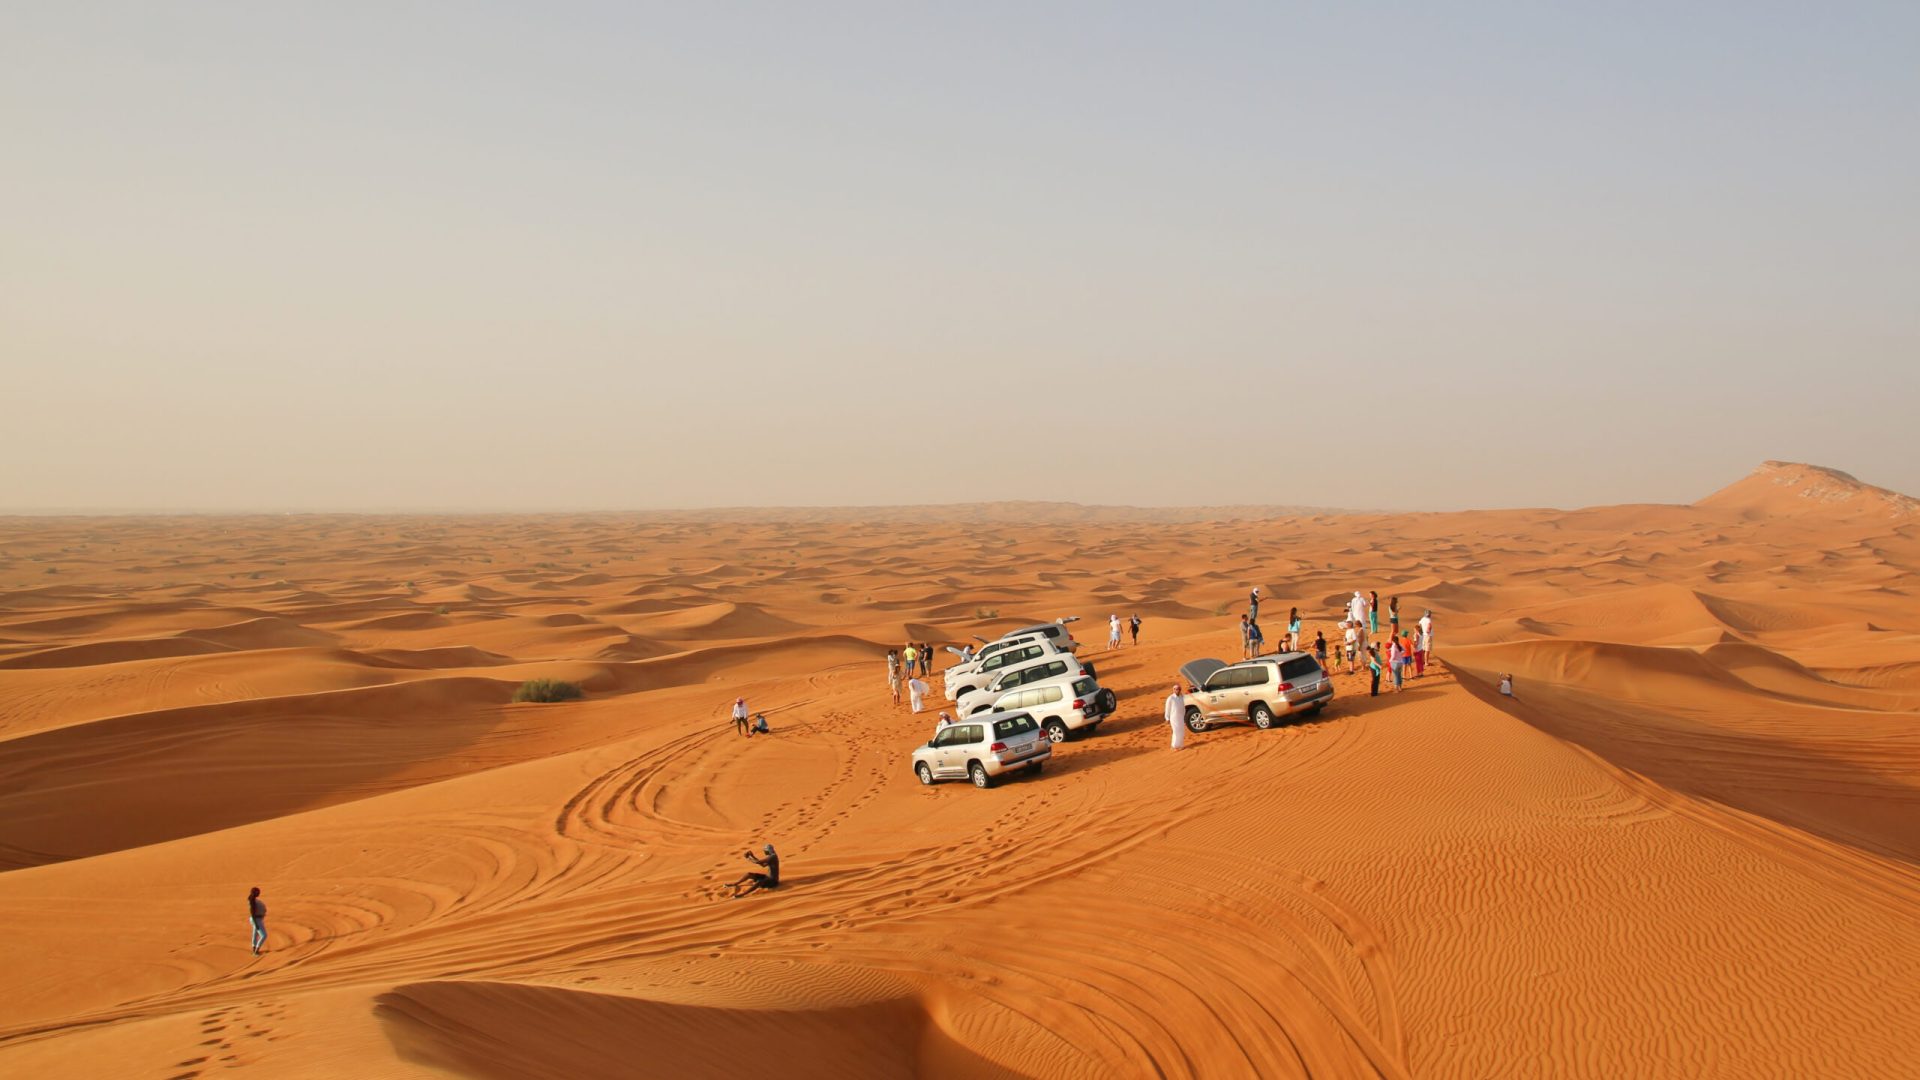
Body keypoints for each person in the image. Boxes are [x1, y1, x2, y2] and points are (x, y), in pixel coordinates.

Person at [1164, 683, 1187, 751]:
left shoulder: (1182, 697)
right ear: (1173, 690)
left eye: (1179, 689)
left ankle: (1180, 745)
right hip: (1174, 718)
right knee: (1176, 731)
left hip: (1181, 717)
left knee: (1181, 731)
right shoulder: (1170, 698)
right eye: (1176, 689)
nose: (1177, 690)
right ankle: (1174, 746)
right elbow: (1167, 709)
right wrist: (1167, 718)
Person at [248, 887, 267, 955]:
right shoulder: (252, 902)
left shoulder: (253, 900)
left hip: (257, 919)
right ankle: (257, 950)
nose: (259, 893)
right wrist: (256, 923)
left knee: (255, 934)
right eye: (258, 892)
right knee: (264, 935)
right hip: (256, 920)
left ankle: (254, 948)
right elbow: (252, 913)